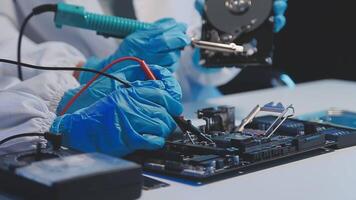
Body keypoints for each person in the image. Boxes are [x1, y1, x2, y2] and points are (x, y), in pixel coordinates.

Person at [0, 0, 287, 156]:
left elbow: (189, 44)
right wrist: (83, 69)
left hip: (192, 111)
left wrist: (222, 45)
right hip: (74, 118)